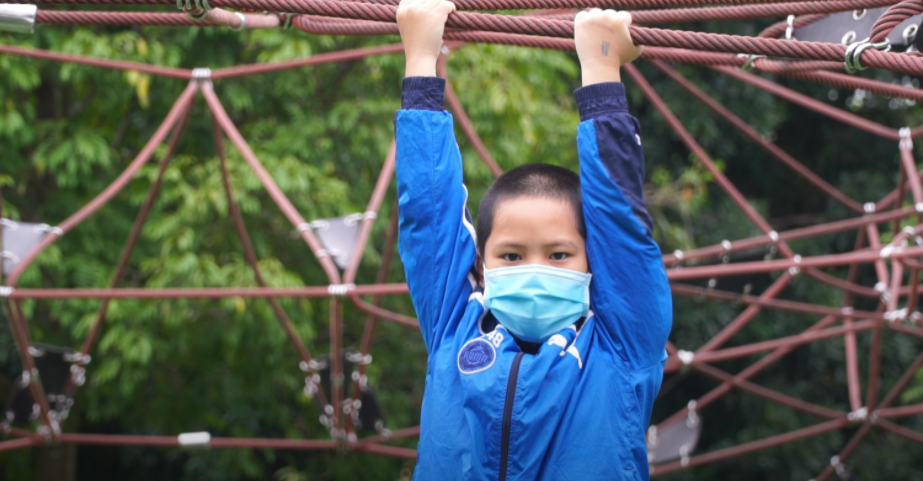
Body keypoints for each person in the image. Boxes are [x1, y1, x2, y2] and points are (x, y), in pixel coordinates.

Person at [393, 1, 672, 479]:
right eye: (512, 255)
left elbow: (622, 227)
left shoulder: (621, 344)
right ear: (481, 265)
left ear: (592, 262)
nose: (535, 267)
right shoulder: (454, 328)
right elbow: (428, 217)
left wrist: (601, 71)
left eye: (559, 254)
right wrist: (420, 59)